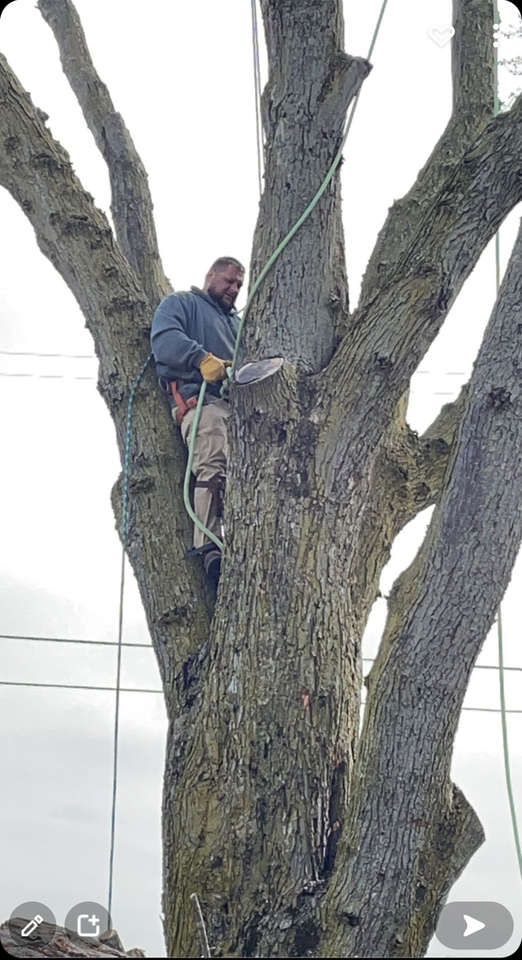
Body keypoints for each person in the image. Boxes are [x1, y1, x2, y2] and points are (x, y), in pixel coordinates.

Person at [151, 257, 245, 583]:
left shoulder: (237, 326)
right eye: (229, 281)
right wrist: (201, 358)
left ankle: (239, 543)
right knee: (214, 462)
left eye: (238, 286)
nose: (234, 289)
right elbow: (165, 340)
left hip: (239, 413)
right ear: (211, 276)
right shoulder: (183, 303)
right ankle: (210, 547)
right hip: (203, 404)